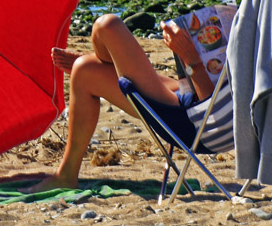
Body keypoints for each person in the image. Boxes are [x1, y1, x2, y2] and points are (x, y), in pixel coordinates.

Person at [23, 13, 214, 193]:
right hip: (185, 94)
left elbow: (210, 113)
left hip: (190, 117)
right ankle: (66, 174)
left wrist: (191, 58)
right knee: (86, 71)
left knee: (106, 26)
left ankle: (96, 60)